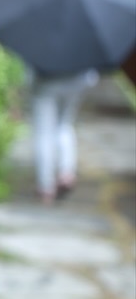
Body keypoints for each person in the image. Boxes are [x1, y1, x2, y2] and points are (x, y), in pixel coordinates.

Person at [28, 68, 99, 204]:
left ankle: (45, 186)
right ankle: (66, 173)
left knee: (44, 133)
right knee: (64, 125)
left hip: (45, 81)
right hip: (76, 80)